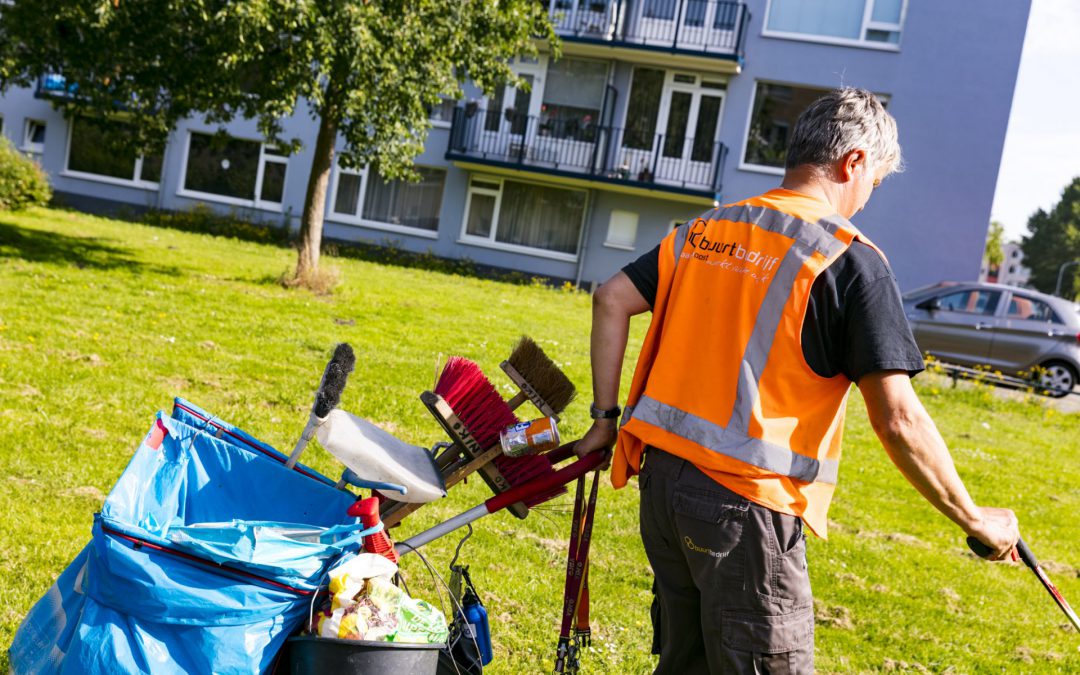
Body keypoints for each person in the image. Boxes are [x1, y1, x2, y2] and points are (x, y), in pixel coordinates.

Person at [573, 87, 1020, 674]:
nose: (866, 200)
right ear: (854, 162)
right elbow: (899, 418)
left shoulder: (709, 228)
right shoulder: (848, 259)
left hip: (662, 489)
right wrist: (974, 518)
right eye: (875, 182)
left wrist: (605, 422)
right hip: (745, 512)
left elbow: (610, 298)